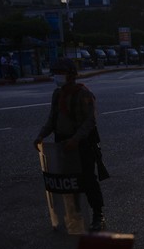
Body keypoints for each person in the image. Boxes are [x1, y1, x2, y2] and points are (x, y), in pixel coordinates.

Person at [34, 58, 107, 231]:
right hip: (62, 143)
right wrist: (40, 136)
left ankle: (98, 214)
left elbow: (90, 121)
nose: (58, 77)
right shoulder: (57, 94)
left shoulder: (84, 93)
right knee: (68, 181)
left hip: (81, 143)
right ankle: (74, 213)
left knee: (88, 180)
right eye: (56, 73)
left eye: (61, 73)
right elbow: (52, 119)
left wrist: (75, 139)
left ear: (72, 75)